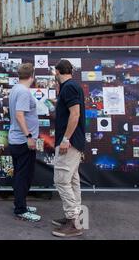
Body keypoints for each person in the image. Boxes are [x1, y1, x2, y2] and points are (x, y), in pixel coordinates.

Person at [51, 60, 86, 238]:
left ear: (57, 71)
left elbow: (75, 114)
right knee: (72, 180)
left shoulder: (69, 87)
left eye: (54, 73)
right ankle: (74, 216)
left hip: (69, 143)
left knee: (61, 180)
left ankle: (73, 222)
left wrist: (65, 139)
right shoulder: (71, 87)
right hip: (74, 142)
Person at [8, 63, 41, 222]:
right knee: (24, 176)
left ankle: (21, 204)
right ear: (32, 76)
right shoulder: (23, 92)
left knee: (21, 175)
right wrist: (29, 137)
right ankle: (20, 210)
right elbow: (20, 115)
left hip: (17, 140)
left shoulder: (16, 88)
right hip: (22, 141)